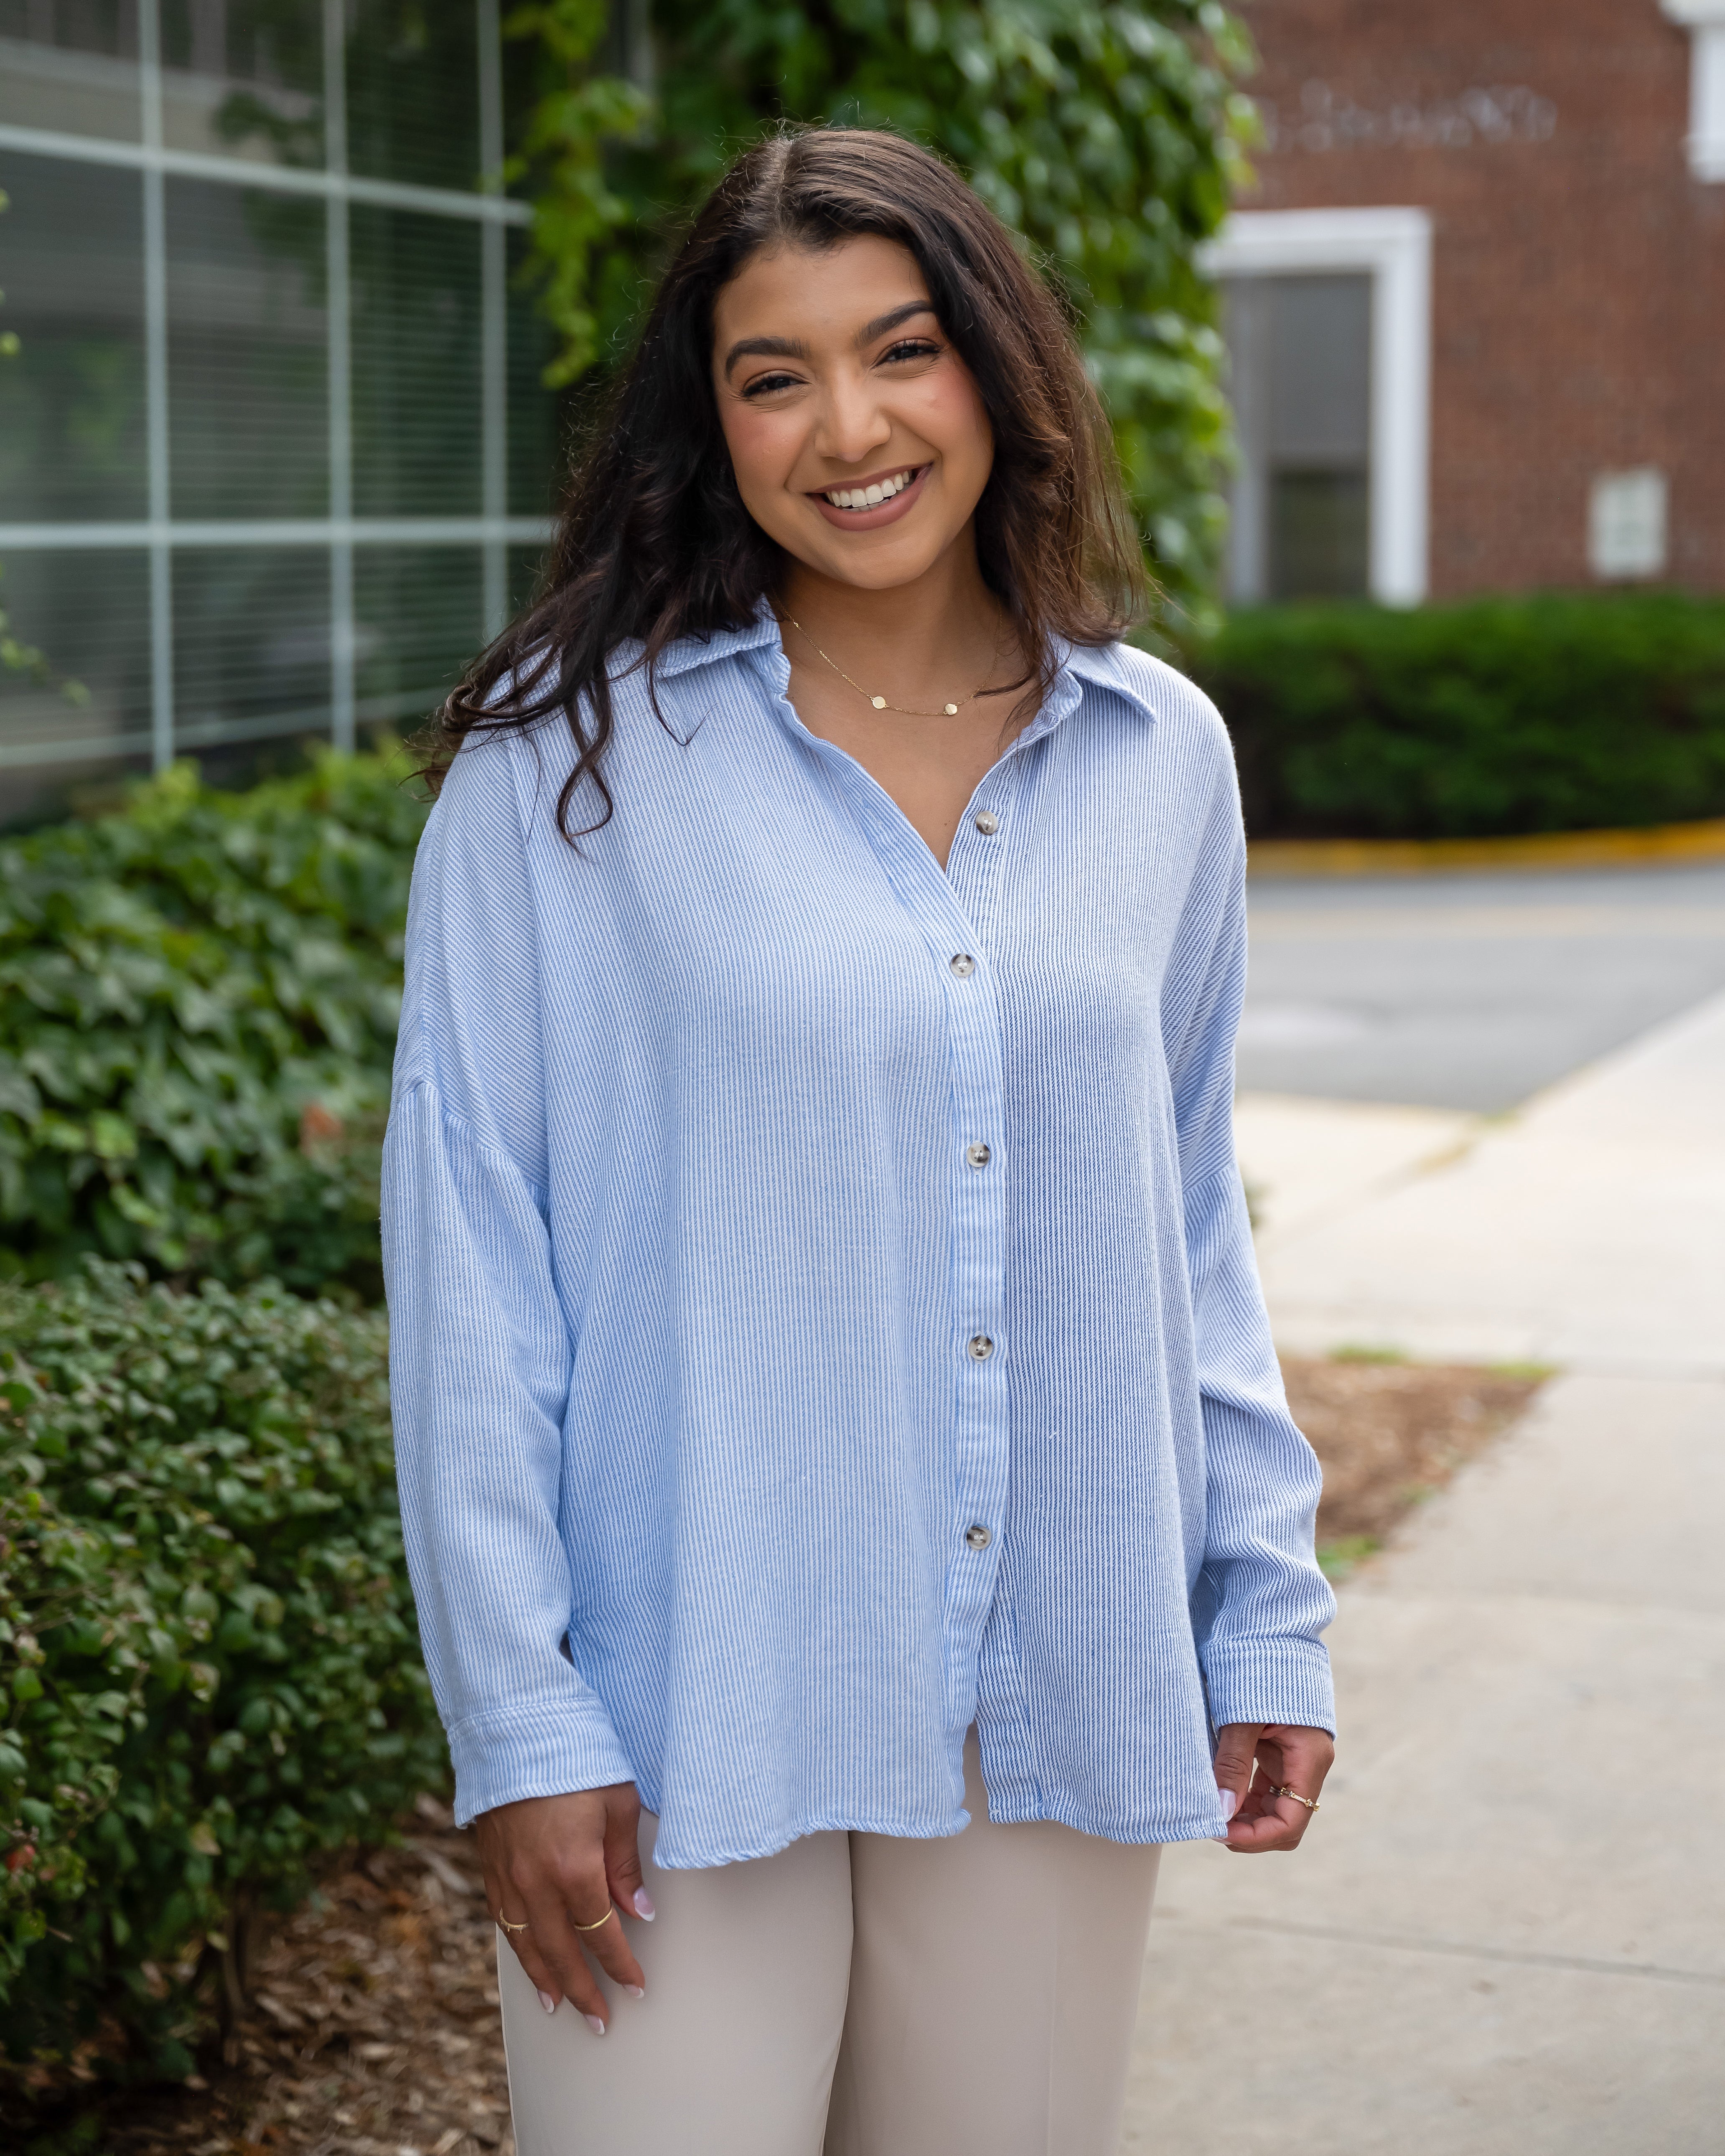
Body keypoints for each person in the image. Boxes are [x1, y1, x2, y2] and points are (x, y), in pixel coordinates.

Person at [383, 124, 1336, 2156]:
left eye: (900, 350)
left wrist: (1265, 1606)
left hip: (1059, 1666)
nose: (850, 428)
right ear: (707, 422)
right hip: (691, 1684)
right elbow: (470, 1259)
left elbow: (1179, 1223)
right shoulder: (567, 770)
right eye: (772, 374)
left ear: (995, 367)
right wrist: (522, 1724)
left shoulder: (1159, 757)